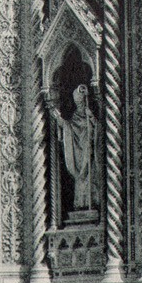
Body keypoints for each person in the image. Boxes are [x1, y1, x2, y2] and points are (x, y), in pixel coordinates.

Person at [55, 83, 97, 215]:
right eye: (79, 102)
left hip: (89, 152)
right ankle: (81, 205)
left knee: (90, 175)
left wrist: (92, 120)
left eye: (82, 101)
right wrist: (60, 120)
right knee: (80, 178)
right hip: (79, 153)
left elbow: (97, 129)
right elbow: (70, 128)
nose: (81, 104)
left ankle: (92, 204)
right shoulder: (75, 117)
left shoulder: (90, 114)